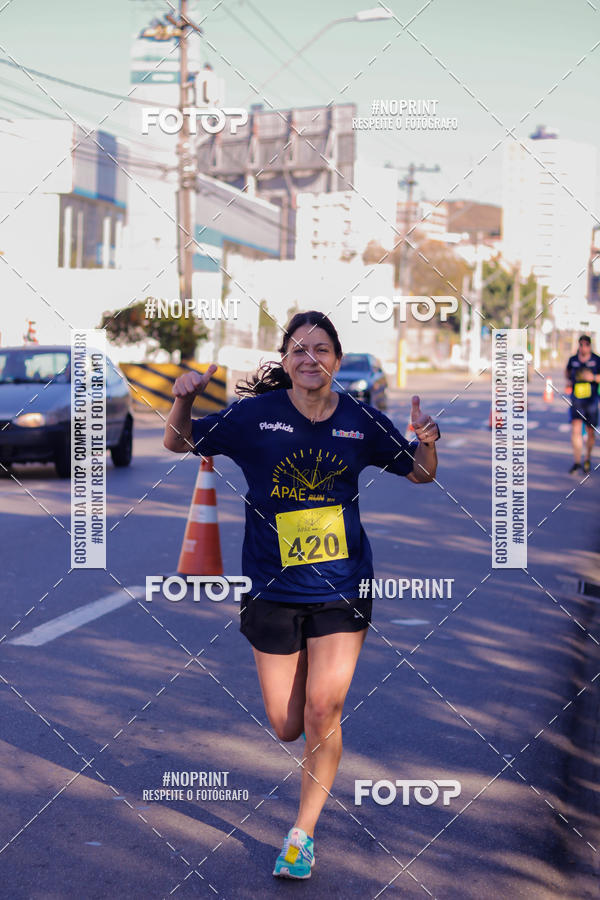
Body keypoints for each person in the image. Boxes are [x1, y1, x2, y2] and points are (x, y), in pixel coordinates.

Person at [163, 311, 440, 880]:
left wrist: (427, 440)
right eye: (297, 351)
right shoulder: (254, 416)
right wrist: (184, 400)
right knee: (287, 724)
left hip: (343, 586)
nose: (309, 358)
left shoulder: (361, 421)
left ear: (336, 359)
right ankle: (308, 736)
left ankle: (302, 834)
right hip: (271, 587)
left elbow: (420, 473)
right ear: (285, 362)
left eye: (320, 349)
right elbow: (177, 441)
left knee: (323, 709)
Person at [565, 335, 600, 474]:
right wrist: (568, 381)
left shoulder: (596, 360)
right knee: (576, 429)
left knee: (591, 432)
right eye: (581, 344)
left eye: (586, 344)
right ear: (579, 345)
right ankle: (577, 461)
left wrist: (593, 378)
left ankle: (587, 458)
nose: (583, 347)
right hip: (576, 400)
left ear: (589, 346)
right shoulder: (573, 360)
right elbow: (567, 372)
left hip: (591, 401)